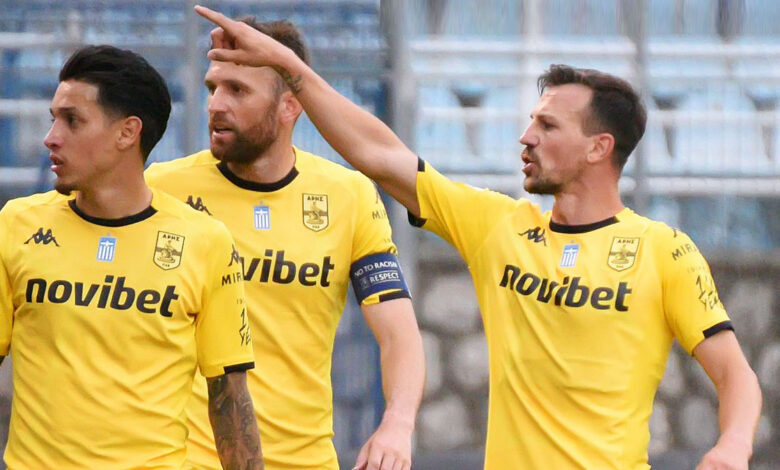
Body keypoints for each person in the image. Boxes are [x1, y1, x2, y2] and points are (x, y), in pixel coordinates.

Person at [193, 6, 764, 470]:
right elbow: (378, 155)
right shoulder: (498, 226)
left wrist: (734, 446)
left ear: (599, 147)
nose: (525, 136)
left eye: (547, 125)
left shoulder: (663, 250)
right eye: (530, 120)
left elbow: (735, 374)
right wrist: (289, 68)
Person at [144, 17, 424, 470]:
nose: (216, 104)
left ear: (290, 106)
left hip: (305, 459)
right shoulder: (161, 189)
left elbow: (398, 334)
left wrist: (397, 424)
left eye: (237, 90)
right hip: (191, 458)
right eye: (213, 87)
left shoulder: (348, 196)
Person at [0, 45, 263, 469]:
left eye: (72, 120)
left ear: (127, 133)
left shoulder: (205, 241)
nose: (51, 137)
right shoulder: (16, 225)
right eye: (53, 119)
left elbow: (230, 398)